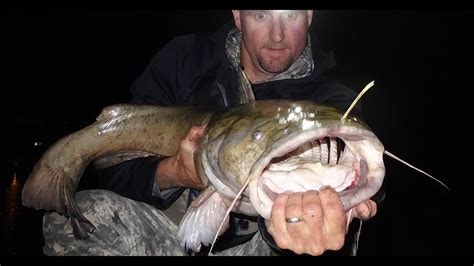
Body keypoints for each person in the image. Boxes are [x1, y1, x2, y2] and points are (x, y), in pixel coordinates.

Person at [42, 10, 380, 256]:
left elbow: (367, 188)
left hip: (252, 244)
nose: (277, 35)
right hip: (165, 225)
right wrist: (173, 173)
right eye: (261, 16)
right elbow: (114, 173)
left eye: (290, 16)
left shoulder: (334, 101)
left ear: (309, 16)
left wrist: (291, 227)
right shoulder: (184, 60)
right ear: (238, 16)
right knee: (77, 216)